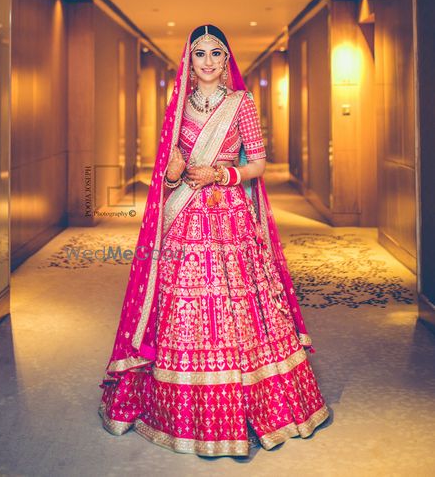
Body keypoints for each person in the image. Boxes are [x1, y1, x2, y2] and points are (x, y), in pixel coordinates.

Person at [98, 24, 330, 456]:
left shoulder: (241, 102)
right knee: (185, 304)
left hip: (230, 220)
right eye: (199, 53)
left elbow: (258, 163)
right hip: (185, 219)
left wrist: (222, 174)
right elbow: (167, 174)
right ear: (189, 60)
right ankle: (186, 409)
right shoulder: (178, 107)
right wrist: (172, 168)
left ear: (227, 61)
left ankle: (255, 407)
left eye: (215, 53)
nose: (207, 61)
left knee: (239, 302)